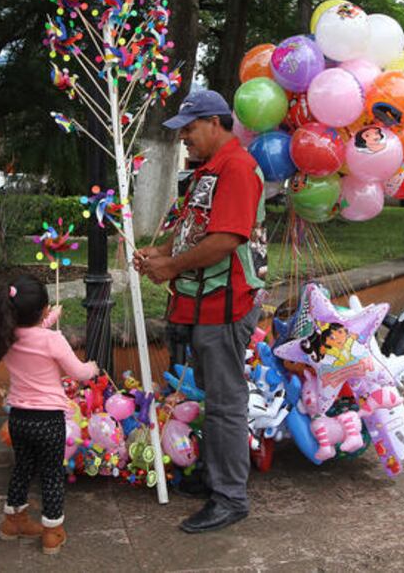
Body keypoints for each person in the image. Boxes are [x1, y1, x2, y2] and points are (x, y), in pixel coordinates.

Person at [133, 89, 265, 534]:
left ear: (214, 122)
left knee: (226, 403)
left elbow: (227, 238)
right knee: (213, 396)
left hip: (226, 305)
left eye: (189, 129)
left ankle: (230, 497)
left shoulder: (238, 168)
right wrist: (161, 251)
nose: (184, 138)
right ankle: (214, 478)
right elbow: (193, 229)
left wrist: (169, 265)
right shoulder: (209, 169)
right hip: (203, 305)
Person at [0, 274, 98, 555]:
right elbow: (78, 372)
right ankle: (52, 532)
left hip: (19, 419)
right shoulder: (54, 341)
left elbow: (32, 335)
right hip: (48, 420)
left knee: (22, 468)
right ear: (43, 310)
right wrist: (93, 368)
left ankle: (12, 522)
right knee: (51, 475)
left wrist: (47, 319)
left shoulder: (7, 336)